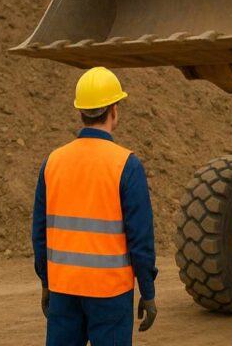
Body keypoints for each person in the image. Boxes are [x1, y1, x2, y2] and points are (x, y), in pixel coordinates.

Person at [32, 67, 158, 345]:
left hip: (64, 289)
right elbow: (141, 239)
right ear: (114, 110)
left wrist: (46, 281)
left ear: (81, 112)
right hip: (110, 293)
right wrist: (147, 291)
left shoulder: (53, 162)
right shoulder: (126, 165)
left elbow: (39, 233)